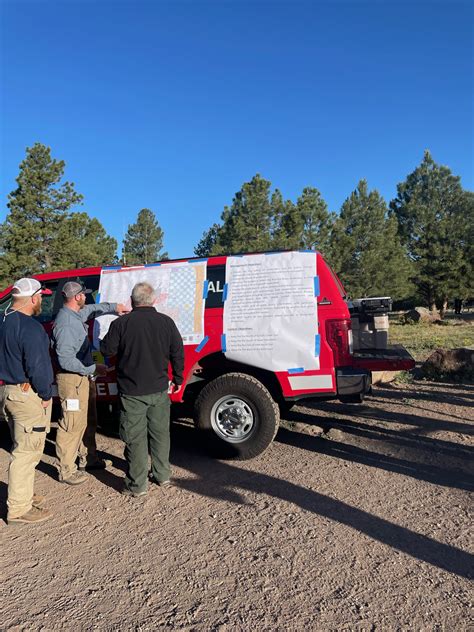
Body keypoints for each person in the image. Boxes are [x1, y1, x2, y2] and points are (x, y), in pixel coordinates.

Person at [100, 282, 184, 498]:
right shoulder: (166, 322)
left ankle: (137, 485)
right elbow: (177, 351)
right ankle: (162, 474)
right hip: (159, 389)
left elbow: (107, 349)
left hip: (131, 391)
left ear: (131, 300)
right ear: (153, 300)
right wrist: (178, 377)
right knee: (160, 433)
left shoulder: (122, 324)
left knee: (135, 437)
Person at [52, 281, 128, 485]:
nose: (87, 297)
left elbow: (93, 309)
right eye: (84, 295)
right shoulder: (66, 324)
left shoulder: (76, 314)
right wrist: (93, 369)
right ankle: (66, 470)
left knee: (88, 420)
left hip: (82, 378)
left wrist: (114, 307)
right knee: (71, 424)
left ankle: (89, 458)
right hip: (72, 380)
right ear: (77, 297)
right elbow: (65, 360)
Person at [0, 278, 54, 524]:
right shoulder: (31, 328)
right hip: (24, 394)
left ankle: (22, 493)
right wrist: (45, 394)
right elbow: (39, 368)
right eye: (41, 296)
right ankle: (19, 508)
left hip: (6, 393)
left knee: (20, 443)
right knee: (27, 450)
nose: (42, 300)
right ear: (33, 298)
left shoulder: (3, 320)